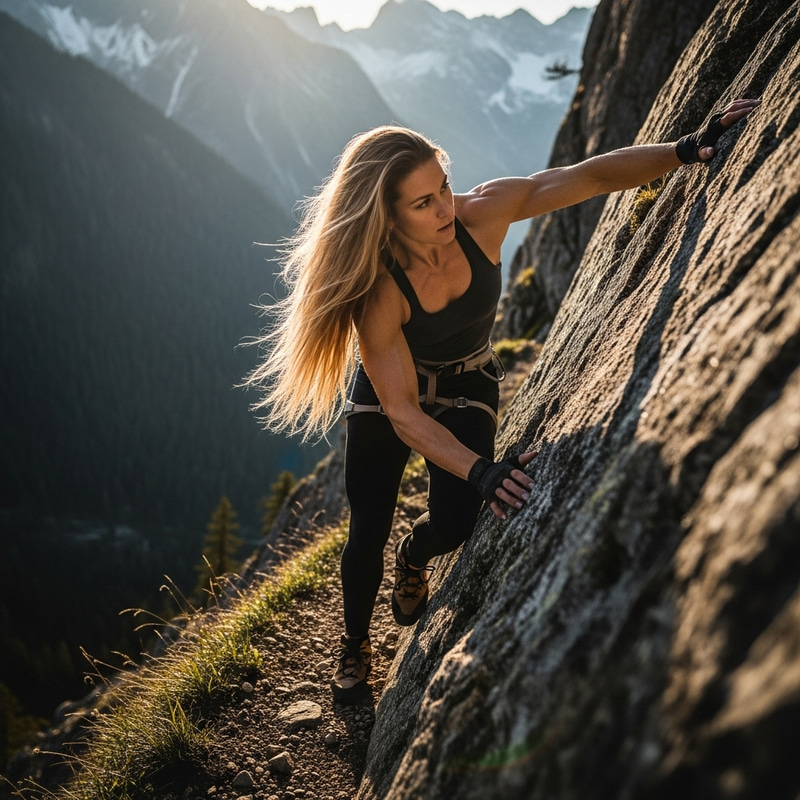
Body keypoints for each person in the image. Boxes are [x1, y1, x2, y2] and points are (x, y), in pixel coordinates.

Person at [244, 98, 760, 703]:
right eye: (423, 203)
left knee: (457, 522)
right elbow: (403, 411)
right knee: (368, 524)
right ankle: (354, 644)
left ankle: (415, 554)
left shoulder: (482, 214)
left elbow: (586, 177)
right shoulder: (379, 289)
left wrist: (683, 148)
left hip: (467, 382)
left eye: (444, 187)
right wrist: (482, 470)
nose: (445, 207)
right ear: (387, 217)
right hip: (393, 396)